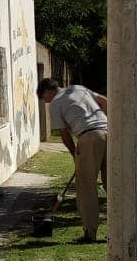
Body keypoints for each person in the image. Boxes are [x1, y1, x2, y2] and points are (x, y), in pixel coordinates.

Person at [36, 77, 107, 244]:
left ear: (48, 91)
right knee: (113, 184)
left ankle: (90, 234)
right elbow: (104, 101)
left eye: (44, 98)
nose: (46, 102)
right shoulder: (78, 88)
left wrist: (75, 154)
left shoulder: (55, 103)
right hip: (108, 131)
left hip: (88, 136)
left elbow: (65, 135)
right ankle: (119, 233)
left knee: (86, 187)